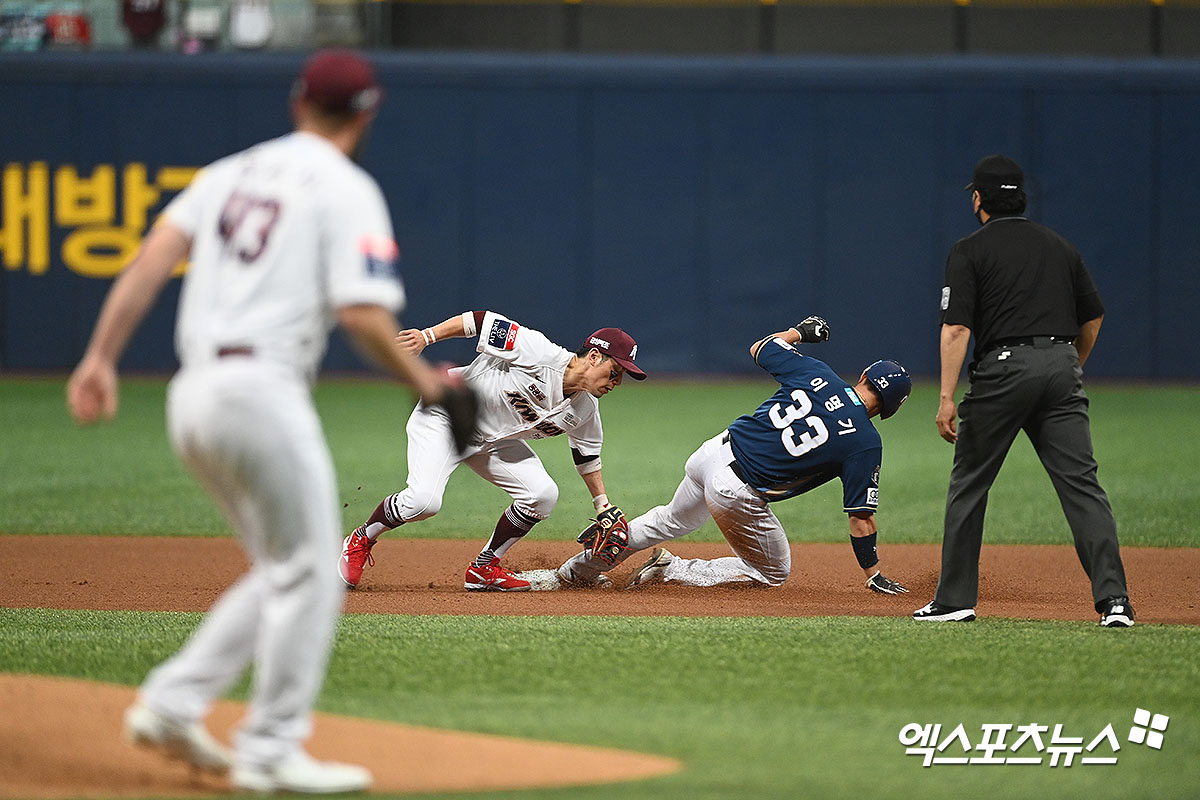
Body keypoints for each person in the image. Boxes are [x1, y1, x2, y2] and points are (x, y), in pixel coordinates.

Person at [67, 50, 461, 793]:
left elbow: (150, 261)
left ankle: (172, 704)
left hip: (193, 395)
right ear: (366, 114)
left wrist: (99, 357)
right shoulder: (347, 188)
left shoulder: (228, 173)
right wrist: (427, 384)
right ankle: (270, 748)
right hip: (261, 393)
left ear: (298, 103)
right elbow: (362, 315)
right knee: (310, 571)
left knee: (288, 567)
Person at [913, 154, 1133, 627]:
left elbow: (957, 329)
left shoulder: (969, 249)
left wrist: (946, 397)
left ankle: (955, 600)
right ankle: (1115, 601)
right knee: (1082, 486)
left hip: (1004, 370)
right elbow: (1093, 315)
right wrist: (1068, 364)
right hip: (1061, 366)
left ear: (978, 199)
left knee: (970, 484)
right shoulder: (1060, 246)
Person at [553, 317, 912, 594]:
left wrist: (799, 333)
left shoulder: (820, 373)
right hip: (736, 489)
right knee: (774, 573)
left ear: (864, 375)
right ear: (890, 409)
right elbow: (861, 517)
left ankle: (576, 570)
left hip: (711, 453)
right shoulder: (865, 442)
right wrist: (873, 573)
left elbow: (761, 347)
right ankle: (673, 569)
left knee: (669, 519)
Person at [339, 311, 646, 592]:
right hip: (447, 415)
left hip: (492, 443)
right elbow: (481, 321)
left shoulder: (586, 409)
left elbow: (587, 457)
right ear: (594, 356)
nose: (617, 382)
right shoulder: (539, 352)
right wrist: (426, 336)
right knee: (423, 502)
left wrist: (602, 505)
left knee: (542, 495)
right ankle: (361, 538)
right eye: (615, 371)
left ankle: (483, 568)